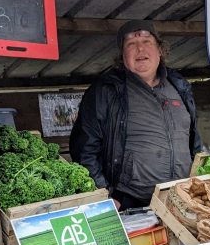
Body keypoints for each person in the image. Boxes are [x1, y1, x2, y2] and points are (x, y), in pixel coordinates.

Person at [70, 19, 202, 209]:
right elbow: (84, 148)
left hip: (183, 199)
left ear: (160, 50)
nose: (140, 49)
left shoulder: (180, 86)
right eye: (131, 43)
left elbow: (193, 139)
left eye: (147, 41)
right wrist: (103, 193)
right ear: (122, 56)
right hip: (131, 203)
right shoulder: (106, 90)